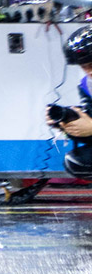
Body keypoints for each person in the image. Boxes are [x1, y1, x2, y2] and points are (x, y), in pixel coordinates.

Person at [50, 27, 92, 179]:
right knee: (76, 161)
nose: (89, 71)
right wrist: (68, 124)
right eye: (84, 66)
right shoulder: (87, 85)